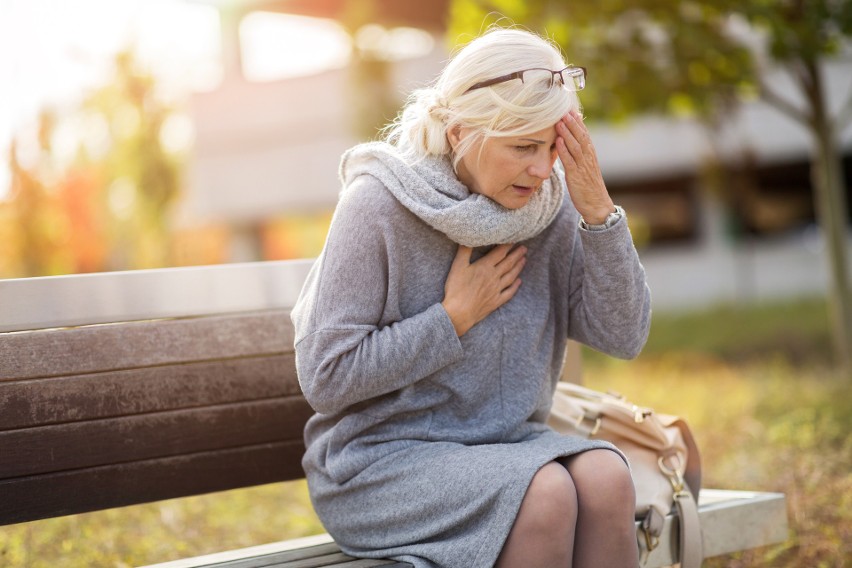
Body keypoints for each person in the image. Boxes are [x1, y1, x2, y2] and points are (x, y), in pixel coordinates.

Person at [291, 27, 651, 568]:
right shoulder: (377, 205)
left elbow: (623, 336)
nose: (541, 168)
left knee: (606, 477)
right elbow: (326, 374)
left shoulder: (549, 207)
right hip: (380, 463)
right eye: (523, 147)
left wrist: (598, 213)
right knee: (546, 494)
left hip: (506, 446)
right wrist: (451, 319)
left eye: (553, 146)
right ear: (460, 132)